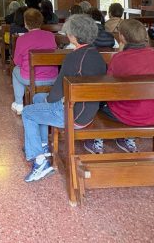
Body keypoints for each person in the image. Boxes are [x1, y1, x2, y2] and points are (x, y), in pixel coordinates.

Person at [21, 14, 106, 182]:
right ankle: (43, 146)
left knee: (28, 112)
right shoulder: (97, 55)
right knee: (38, 98)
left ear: (73, 36)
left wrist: (48, 101)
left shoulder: (73, 57)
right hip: (87, 109)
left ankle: (40, 163)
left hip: (73, 113)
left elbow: (56, 93)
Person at [84, 19, 154, 155]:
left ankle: (96, 137)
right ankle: (126, 138)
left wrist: (120, 53)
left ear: (122, 37)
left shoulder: (119, 58)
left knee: (96, 101)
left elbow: (109, 88)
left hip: (127, 115)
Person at [10, 9, 58, 114]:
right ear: (40, 21)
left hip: (30, 78)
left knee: (15, 70)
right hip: (52, 77)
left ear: (26, 23)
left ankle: (19, 104)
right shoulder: (50, 36)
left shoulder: (22, 39)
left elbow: (17, 62)